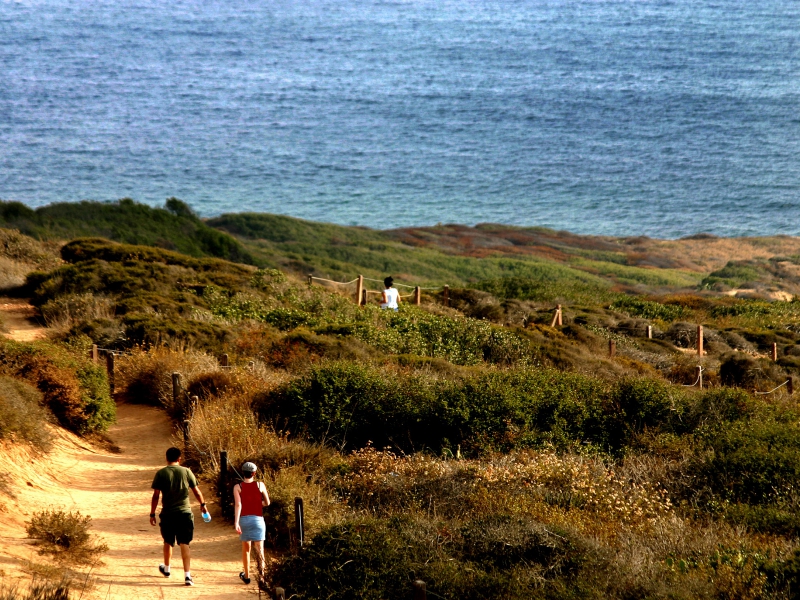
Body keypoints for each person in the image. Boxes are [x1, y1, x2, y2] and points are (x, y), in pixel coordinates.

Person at [150, 447, 208, 587]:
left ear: (166, 458)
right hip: (184, 513)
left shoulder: (161, 473)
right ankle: (187, 575)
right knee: (184, 543)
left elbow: (156, 495)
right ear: (179, 459)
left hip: (168, 513)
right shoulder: (186, 471)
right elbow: (196, 491)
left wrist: (152, 513)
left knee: (168, 541)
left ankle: (167, 568)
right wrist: (203, 504)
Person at [233, 462, 270, 585]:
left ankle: (247, 576)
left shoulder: (238, 487)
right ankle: (262, 577)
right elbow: (267, 502)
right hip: (258, 520)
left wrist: (236, 522)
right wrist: (259, 504)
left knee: (246, 549)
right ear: (254, 473)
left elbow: (238, 505)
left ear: (243, 472)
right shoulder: (260, 485)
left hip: (244, 520)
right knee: (260, 550)